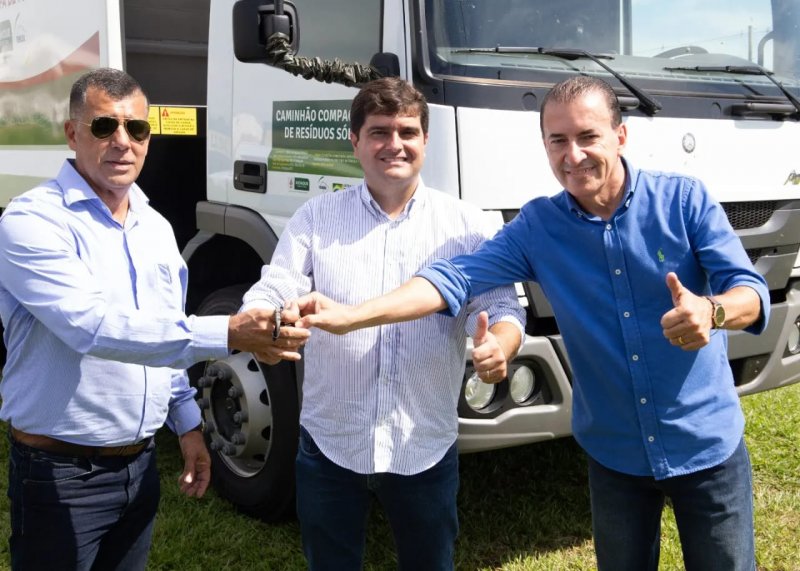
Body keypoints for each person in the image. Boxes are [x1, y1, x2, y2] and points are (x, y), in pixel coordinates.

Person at [296, 76, 768, 571]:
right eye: (558, 140)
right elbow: (451, 278)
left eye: (588, 137)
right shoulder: (538, 226)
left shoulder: (683, 200)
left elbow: (751, 291)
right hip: (615, 456)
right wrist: (353, 317)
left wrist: (712, 311)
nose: (573, 155)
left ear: (620, 136)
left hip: (705, 444)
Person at [0, 68, 308, 571]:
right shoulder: (32, 221)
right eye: (104, 126)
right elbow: (92, 327)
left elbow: (162, 332)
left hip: (139, 469)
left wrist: (187, 425)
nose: (123, 142)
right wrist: (230, 331)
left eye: (137, 128)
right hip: (59, 475)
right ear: (72, 133)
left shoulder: (156, 228)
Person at [240, 77, 525, 570]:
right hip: (332, 440)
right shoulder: (316, 218)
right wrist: (261, 317)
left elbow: (505, 310)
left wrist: (501, 345)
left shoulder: (467, 225)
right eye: (379, 132)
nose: (394, 144)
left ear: (426, 141)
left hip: (423, 442)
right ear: (354, 142)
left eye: (407, 132)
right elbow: (277, 285)